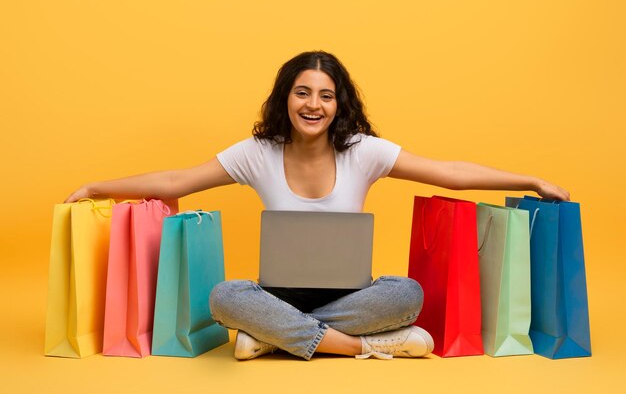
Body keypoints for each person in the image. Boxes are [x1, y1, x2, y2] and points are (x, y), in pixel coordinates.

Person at [65, 51, 570, 361]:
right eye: (302, 92)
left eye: (325, 96)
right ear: (285, 98)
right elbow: (178, 180)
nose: (313, 104)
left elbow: (452, 174)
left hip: (350, 297)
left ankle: (271, 339)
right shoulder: (257, 153)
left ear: (339, 103)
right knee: (225, 296)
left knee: (407, 294)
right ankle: (360, 347)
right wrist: (97, 187)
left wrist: (530, 178)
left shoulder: (364, 150)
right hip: (277, 295)